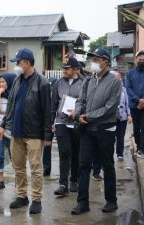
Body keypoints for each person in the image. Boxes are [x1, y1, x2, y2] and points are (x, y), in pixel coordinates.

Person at [0, 48, 52, 214]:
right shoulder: (17, 80)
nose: (16, 65)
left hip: (33, 133)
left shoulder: (42, 83)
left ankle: (36, 199)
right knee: (18, 166)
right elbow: (12, 105)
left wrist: (47, 135)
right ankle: (21, 196)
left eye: (18, 62)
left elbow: (47, 111)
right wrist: (3, 124)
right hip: (16, 132)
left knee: (35, 167)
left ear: (27, 63)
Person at [71, 48, 122, 215]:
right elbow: (80, 100)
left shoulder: (115, 82)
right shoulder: (88, 80)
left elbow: (110, 108)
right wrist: (78, 114)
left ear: (105, 62)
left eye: (96, 60)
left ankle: (111, 201)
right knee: (83, 165)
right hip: (87, 129)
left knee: (107, 165)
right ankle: (82, 203)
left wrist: (88, 116)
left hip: (105, 130)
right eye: (92, 59)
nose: (93, 63)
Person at [51, 57, 84, 196]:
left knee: (76, 151)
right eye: (64, 68)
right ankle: (63, 183)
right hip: (61, 121)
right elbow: (54, 104)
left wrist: (77, 110)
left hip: (76, 122)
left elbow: (86, 101)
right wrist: (51, 122)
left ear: (76, 69)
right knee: (64, 152)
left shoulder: (84, 83)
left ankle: (74, 179)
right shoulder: (58, 83)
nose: (64, 70)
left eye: (68, 68)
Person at [0, 72, 16, 190]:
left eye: (3, 81)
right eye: (0, 81)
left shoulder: (14, 95)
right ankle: (0, 181)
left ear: (9, 82)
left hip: (11, 129)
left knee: (15, 157)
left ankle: (19, 180)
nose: (1, 84)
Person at [125, 50, 144, 158]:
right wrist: (137, 100)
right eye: (140, 60)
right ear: (136, 60)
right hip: (134, 105)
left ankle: (142, 149)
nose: (142, 61)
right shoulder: (129, 74)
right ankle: (138, 145)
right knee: (136, 127)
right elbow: (128, 89)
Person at [112, 71, 132, 160]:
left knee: (121, 137)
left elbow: (127, 103)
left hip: (122, 117)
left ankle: (120, 154)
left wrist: (129, 115)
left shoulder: (124, 89)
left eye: (119, 77)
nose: (118, 78)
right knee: (111, 138)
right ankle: (109, 154)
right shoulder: (109, 89)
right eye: (116, 77)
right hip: (111, 118)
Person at [43, 77, 58, 176]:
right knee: (46, 146)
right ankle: (46, 168)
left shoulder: (58, 96)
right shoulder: (44, 98)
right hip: (47, 124)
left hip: (58, 123)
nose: (51, 92)